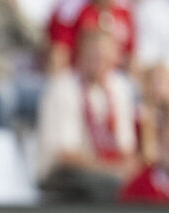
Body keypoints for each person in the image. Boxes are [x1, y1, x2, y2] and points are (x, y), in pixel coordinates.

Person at [36, 29, 138, 202]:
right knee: (110, 184)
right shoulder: (63, 87)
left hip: (107, 168)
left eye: (105, 56)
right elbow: (65, 156)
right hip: (62, 174)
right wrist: (112, 168)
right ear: (81, 55)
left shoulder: (119, 87)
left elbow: (126, 147)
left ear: (115, 58)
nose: (100, 62)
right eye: (94, 56)